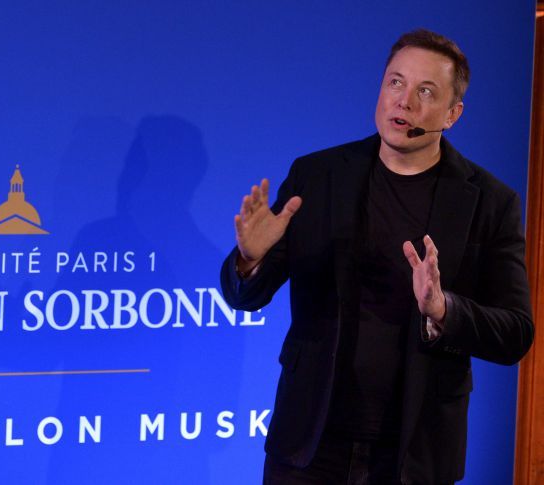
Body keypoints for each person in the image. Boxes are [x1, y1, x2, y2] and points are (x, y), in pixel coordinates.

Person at [220, 29, 535, 484]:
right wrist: (250, 260)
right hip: (309, 445)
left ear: (452, 114)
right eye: (396, 82)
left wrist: (443, 309)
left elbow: (515, 333)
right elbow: (246, 297)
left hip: (414, 454)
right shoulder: (318, 176)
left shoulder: (490, 202)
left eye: (425, 91)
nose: (404, 101)